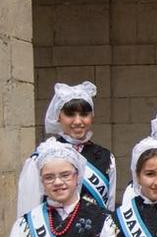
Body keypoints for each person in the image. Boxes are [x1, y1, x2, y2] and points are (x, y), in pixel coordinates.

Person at [17, 81, 116, 217]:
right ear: (58, 116)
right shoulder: (42, 156)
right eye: (70, 115)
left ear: (92, 116)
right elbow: (28, 211)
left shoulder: (106, 157)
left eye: (84, 114)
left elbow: (108, 207)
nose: (77, 121)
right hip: (53, 235)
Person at [5, 139, 110, 237]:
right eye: (49, 177)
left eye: (65, 175)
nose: (58, 182)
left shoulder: (103, 219)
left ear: (77, 176)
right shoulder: (27, 224)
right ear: (42, 182)